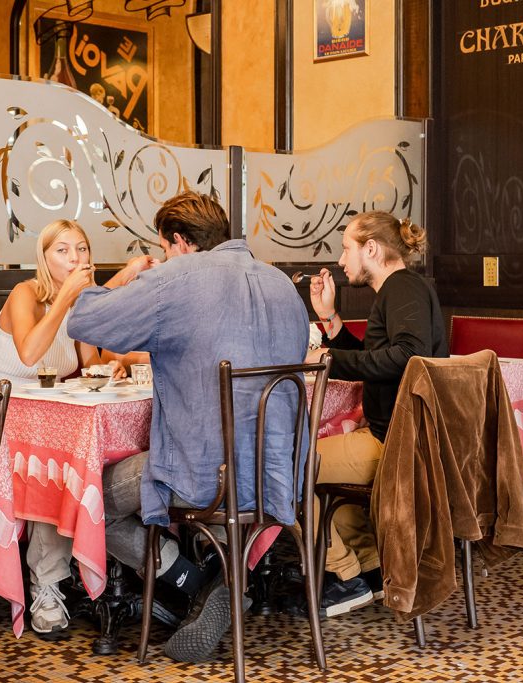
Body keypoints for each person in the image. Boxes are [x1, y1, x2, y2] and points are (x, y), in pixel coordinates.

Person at [67, 191, 309, 662]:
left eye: (162, 246)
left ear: (179, 241)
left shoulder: (178, 277)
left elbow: (85, 321)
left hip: (204, 477)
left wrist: (131, 276)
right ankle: (222, 582)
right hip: (277, 474)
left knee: (93, 498)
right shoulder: (282, 284)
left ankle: (193, 582)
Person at [0, 218, 149, 638]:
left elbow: (91, 364)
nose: (75, 258)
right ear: (44, 257)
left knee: (73, 463)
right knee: (53, 467)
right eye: (63, 250)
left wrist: (130, 360)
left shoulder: (78, 304)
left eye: (82, 249)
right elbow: (30, 351)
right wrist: (67, 300)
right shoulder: (25, 294)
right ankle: (47, 586)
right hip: (5, 420)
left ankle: (99, 569)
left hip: (56, 422)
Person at [304, 210, 448, 617]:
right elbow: (373, 356)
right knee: (328, 489)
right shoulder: (399, 291)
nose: (341, 259)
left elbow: (407, 355)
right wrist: (330, 318)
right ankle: (370, 571)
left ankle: (342, 576)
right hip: (400, 436)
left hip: (396, 442)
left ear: (372, 248)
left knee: (285, 469)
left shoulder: (403, 288)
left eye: (347, 248)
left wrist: (328, 357)